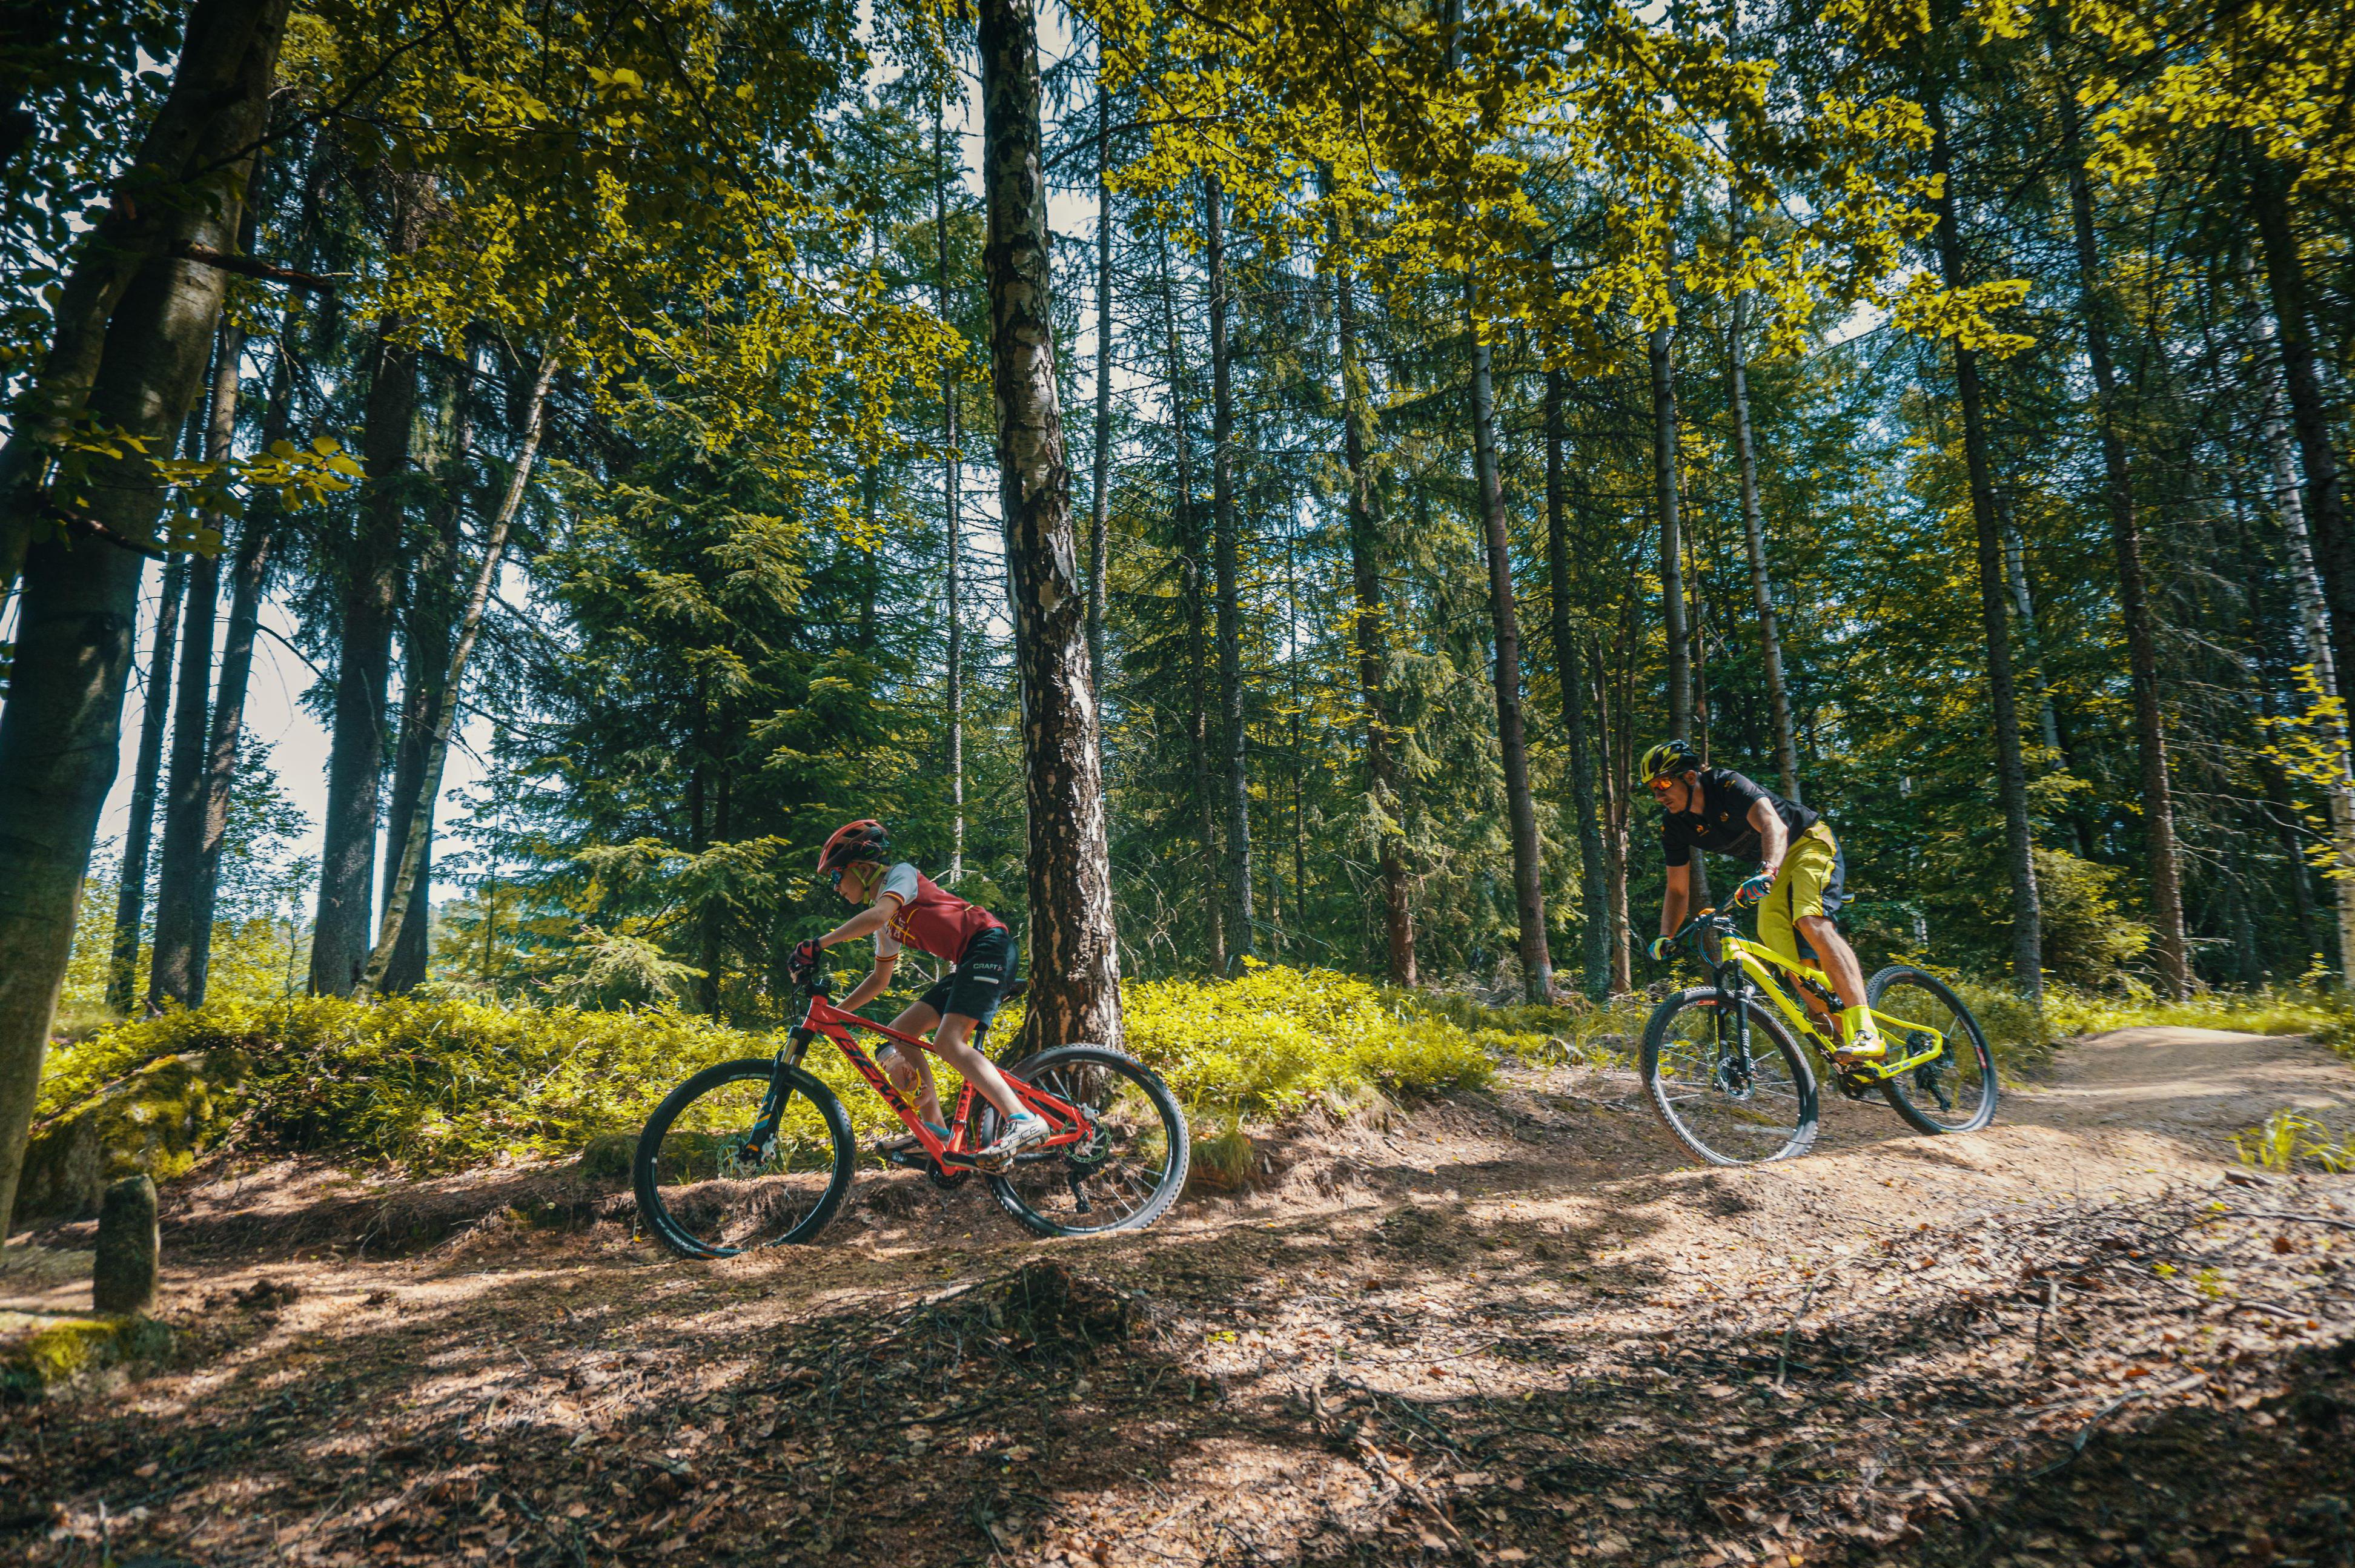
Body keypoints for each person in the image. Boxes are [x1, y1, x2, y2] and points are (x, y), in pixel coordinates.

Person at [789, 819, 1047, 1168]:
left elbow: (878, 915)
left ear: (863, 868)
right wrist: (834, 1013)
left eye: (837, 877)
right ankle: (936, 1130)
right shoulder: (888, 922)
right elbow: (880, 980)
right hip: (969, 960)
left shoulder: (901, 876)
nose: (836, 888)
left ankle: (1024, 1120)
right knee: (902, 1034)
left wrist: (820, 943)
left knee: (948, 1042)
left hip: (989, 946)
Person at [1638, 740, 1886, 1062]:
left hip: (1806, 843)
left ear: (1688, 777)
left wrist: (1768, 870)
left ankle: (1867, 1029)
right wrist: (1666, 935)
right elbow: (1677, 889)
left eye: (1663, 783)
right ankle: (1846, 1040)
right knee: (1784, 953)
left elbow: (1774, 825)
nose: (1658, 795)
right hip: (1774, 868)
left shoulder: (1727, 784)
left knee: (1810, 920)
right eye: (1652, 788)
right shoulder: (1675, 824)